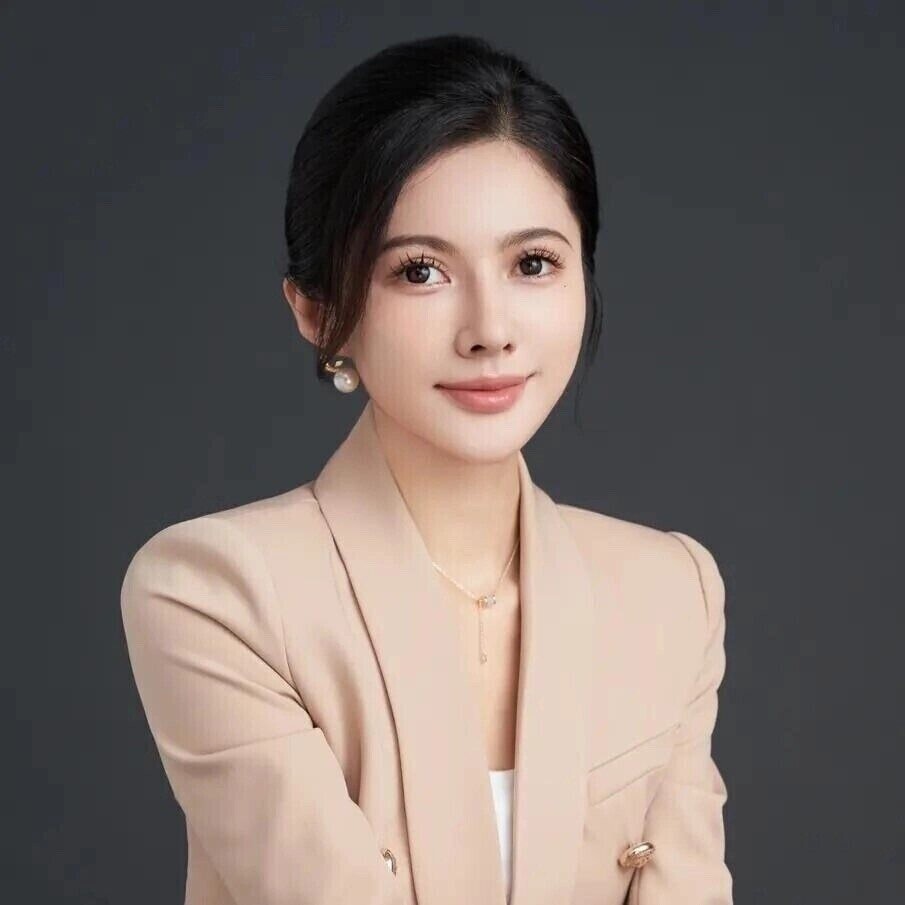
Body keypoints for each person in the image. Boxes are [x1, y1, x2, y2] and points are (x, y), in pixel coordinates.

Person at [120, 33, 733, 905]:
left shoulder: (669, 590)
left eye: (532, 263)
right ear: (317, 310)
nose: (490, 329)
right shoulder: (218, 592)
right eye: (420, 271)